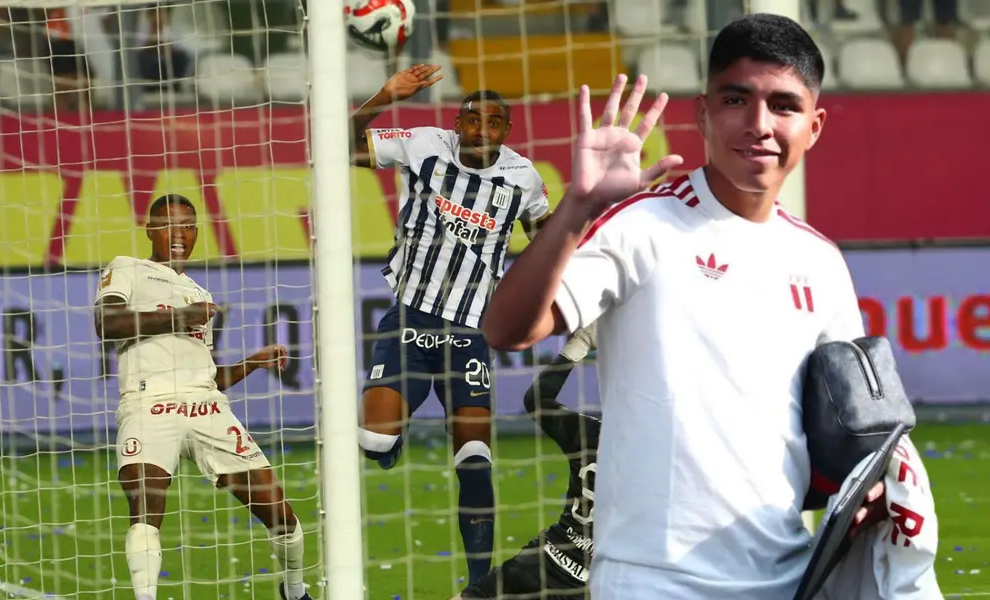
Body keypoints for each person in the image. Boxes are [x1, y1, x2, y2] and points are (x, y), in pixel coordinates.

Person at [481, 15, 889, 599]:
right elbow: (507, 329)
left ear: (814, 125)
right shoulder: (642, 224)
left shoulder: (820, 262)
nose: (758, 125)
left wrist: (871, 486)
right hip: (651, 583)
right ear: (702, 113)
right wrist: (576, 208)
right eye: (736, 99)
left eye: (783, 105)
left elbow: (850, 428)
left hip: (787, 578)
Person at [350, 65, 551, 583]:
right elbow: (346, 147)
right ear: (455, 123)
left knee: (476, 458)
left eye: (495, 122)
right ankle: (390, 438)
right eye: (472, 118)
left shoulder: (522, 177)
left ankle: (480, 584)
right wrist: (384, 95)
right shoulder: (421, 144)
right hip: (409, 322)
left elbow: (546, 239)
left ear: (507, 131)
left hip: (469, 333)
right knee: (372, 442)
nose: (482, 129)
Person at [94, 194, 311, 600]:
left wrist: (249, 363)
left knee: (281, 515)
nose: (180, 234)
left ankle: (295, 591)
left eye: (189, 225)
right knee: (145, 515)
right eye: (169, 224)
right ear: (150, 229)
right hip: (149, 405)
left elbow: (203, 376)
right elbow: (106, 323)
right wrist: (179, 317)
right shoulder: (127, 268)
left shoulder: (196, 291)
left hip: (206, 407)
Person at [457, 326, 599, 600]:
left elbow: (537, 399)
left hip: (541, 558)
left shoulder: (589, 431)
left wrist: (580, 343)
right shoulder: (653, 461)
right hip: (582, 585)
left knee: (475, 595)